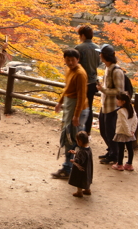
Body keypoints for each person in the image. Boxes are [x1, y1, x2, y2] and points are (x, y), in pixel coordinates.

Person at [51, 49, 88, 180]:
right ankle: (71, 167)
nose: (70, 62)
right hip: (70, 106)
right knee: (70, 138)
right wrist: (60, 102)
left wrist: (76, 115)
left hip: (77, 109)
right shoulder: (69, 70)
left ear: (78, 60)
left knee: (72, 139)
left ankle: (69, 168)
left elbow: (81, 96)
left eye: (73, 60)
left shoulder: (80, 74)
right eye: (68, 60)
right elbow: (67, 89)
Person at [98, 44, 127, 165]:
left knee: (110, 132)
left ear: (105, 56)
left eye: (100, 54)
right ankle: (110, 150)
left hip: (113, 107)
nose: (99, 55)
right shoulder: (107, 68)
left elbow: (120, 91)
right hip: (105, 105)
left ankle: (114, 155)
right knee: (103, 131)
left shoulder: (117, 71)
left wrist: (103, 90)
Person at [75, 25, 100, 133]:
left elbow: (75, 65)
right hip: (93, 82)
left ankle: (77, 131)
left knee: (78, 106)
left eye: (80, 35)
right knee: (89, 107)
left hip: (82, 82)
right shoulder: (97, 48)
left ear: (83, 35)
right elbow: (98, 63)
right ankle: (87, 132)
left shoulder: (79, 48)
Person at [111, 92, 138, 171]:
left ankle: (119, 164)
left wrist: (128, 132)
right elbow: (135, 120)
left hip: (122, 132)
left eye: (118, 99)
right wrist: (132, 131)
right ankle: (129, 164)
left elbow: (124, 123)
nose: (116, 101)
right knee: (130, 148)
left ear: (123, 101)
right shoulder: (132, 109)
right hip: (130, 132)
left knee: (121, 149)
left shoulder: (121, 111)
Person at [69, 131, 94, 198]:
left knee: (79, 180)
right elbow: (84, 156)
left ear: (79, 141)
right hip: (88, 168)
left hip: (81, 169)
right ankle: (87, 190)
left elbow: (80, 160)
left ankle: (79, 192)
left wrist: (74, 160)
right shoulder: (88, 149)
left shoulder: (81, 151)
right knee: (87, 179)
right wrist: (76, 153)